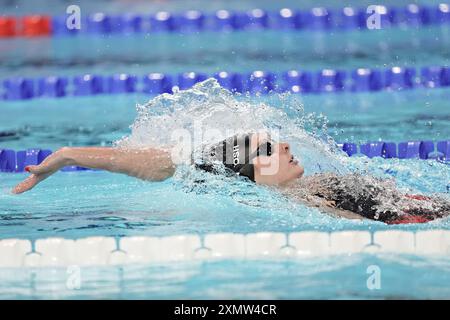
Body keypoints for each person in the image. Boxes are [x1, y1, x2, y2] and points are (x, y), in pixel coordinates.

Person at [12, 132, 450, 224]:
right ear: (249, 174)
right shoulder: (297, 205)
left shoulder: (309, 191)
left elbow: (170, 161)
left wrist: (69, 154)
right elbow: (173, 162)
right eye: (265, 150)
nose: (281, 148)